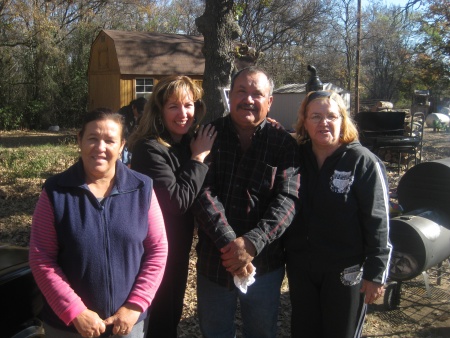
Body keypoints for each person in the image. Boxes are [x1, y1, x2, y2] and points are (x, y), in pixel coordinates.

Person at [29, 108, 168, 338]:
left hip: (127, 325)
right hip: (69, 327)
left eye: (110, 141)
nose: (100, 148)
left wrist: (135, 306)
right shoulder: (55, 192)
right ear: (79, 141)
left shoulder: (142, 188)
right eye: (92, 138)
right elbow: (41, 258)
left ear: (122, 145)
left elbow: (157, 250)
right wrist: (75, 312)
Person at [191, 66, 300, 338]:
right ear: (230, 96)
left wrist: (252, 242)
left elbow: (287, 200)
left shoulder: (283, 144)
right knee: (215, 333)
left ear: (270, 101)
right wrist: (232, 246)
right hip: (215, 262)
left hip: (264, 264)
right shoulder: (207, 135)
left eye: (256, 94)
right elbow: (203, 192)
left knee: (261, 333)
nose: (248, 99)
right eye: (241, 91)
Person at [284, 90, 392, 338]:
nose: (324, 122)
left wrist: (376, 274)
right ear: (304, 122)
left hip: (345, 272)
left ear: (343, 120)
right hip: (302, 268)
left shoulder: (362, 161)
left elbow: (379, 221)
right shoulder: (296, 157)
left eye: (331, 116)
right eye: (315, 116)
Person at [128, 75, 216, 338]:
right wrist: (199, 158)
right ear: (159, 111)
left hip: (178, 248)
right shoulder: (150, 149)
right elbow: (176, 202)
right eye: (173, 106)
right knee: (159, 320)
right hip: (153, 253)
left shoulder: (185, 143)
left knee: (172, 315)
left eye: (188, 105)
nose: (183, 113)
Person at [119, 97, 147, 165]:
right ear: (134, 107)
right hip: (124, 139)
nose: (139, 115)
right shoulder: (124, 113)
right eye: (139, 112)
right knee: (125, 158)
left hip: (132, 140)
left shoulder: (140, 115)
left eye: (142, 114)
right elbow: (124, 130)